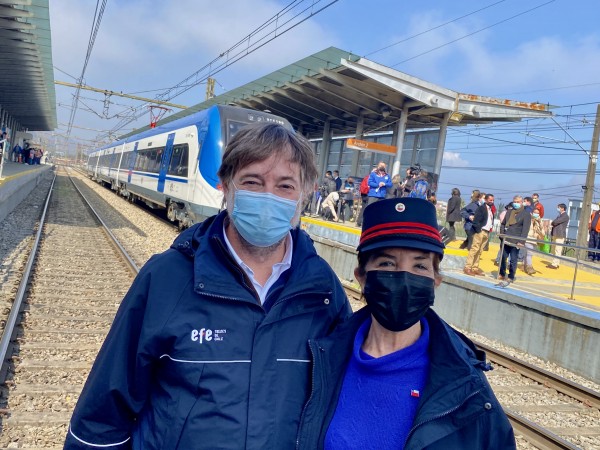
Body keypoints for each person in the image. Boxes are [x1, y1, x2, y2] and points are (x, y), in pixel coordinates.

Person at [64, 123, 352, 449]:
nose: (268, 196)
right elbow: (103, 413)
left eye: (285, 186)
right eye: (252, 182)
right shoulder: (166, 277)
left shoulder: (323, 289)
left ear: (306, 192)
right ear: (225, 186)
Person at [296, 198, 516, 449]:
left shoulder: (467, 384)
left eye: (420, 266)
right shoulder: (324, 360)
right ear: (361, 277)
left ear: (436, 280)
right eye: (387, 263)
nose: (404, 278)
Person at [498, 195, 532, 283]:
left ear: (522, 203)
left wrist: (521, 241)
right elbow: (503, 223)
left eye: (518, 202)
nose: (516, 204)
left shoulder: (526, 214)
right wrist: (502, 234)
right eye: (515, 202)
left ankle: (511, 276)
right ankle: (502, 273)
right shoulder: (509, 212)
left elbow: (525, 229)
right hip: (506, 238)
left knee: (513, 259)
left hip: (516, 240)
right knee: (503, 257)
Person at [463, 193, 495, 276]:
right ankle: (468, 267)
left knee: (480, 250)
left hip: (487, 231)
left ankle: (475, 267)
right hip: (480, 231)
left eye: (493, 200)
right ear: (486, 200)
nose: (492, 201)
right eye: (490, 200)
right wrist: (478, 230)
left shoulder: (491, 210)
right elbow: (476, 220)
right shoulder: (481, 208)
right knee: (474, 249)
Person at [355, 162, 392, 226]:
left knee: (379, 211)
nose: (382, 166)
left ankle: (375, 224)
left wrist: (384, 184)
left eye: (383, 166)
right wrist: (378, 184)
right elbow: (370, 182)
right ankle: (365, 223)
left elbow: (390, 184)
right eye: (381, 165)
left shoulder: (387, 175)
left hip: (382, 196)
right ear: (378, 166)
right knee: (370, 210)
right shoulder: (373, 174)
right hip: (373, 195)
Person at [524, 207, 544, 274]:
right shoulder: (528, 219)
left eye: (537, 213)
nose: (536, 214)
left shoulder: (540, 221)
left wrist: (540, 226)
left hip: (535, 240)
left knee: (528, 254)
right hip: (528, 238)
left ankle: (525, 266)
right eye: (535, 212)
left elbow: (543, 232)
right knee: (529, 253)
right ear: (532, 212)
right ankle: (530, 268)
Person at [548, 203, 569, 269]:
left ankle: (555, 264)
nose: (558, 209)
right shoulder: (560, 215)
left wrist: (553, 222)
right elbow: (555, 221)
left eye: (559, 207)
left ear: (562, 208)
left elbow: (555, 222)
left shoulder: (565, 216)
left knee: (558, 249)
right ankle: (556, 263)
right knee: (554, 249)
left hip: (560, 234)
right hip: (556, 234)